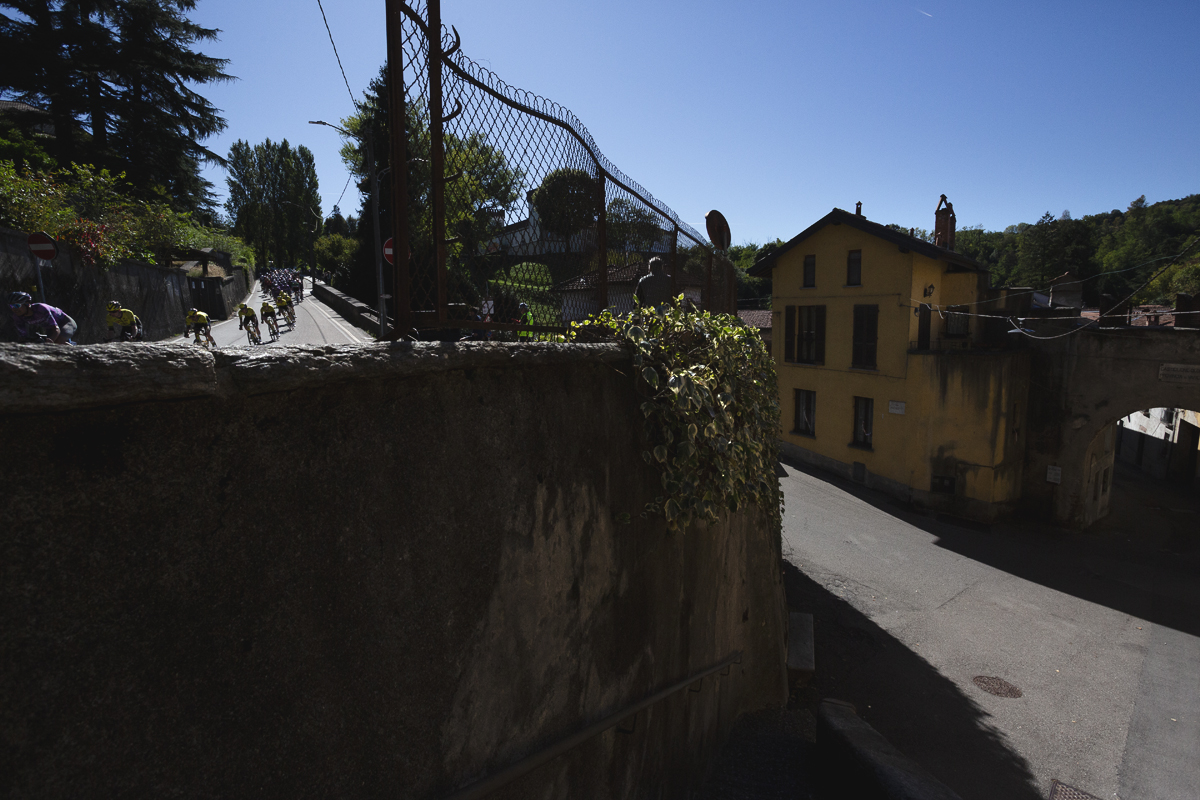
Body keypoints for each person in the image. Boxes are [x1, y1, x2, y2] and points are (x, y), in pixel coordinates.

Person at [8, 291, 77, 344]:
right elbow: (23, 337)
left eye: (17, 305)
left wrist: (50, 342)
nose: (14, 309)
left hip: (65, 323)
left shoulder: (41, 308)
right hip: (50, 328)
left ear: (27, 304)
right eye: (11, 306)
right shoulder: (17, 317)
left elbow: (56, 329)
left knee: (58, 341)